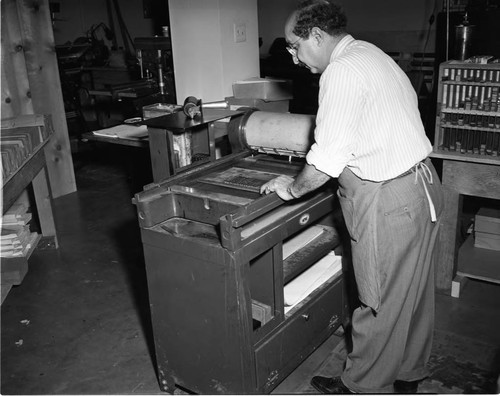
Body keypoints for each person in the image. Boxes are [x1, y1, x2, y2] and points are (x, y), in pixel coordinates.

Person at [260, 0, 444, 393]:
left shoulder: (340, 72)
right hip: (423, 184)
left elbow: (325, 160)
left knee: (376, 299)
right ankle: (408, 373)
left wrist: (291, 188)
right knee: (412, 293)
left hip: (388, 199)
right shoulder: (369, 53)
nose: (293, 58)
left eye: (294, 46)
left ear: (317, 35)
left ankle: (361, 384)